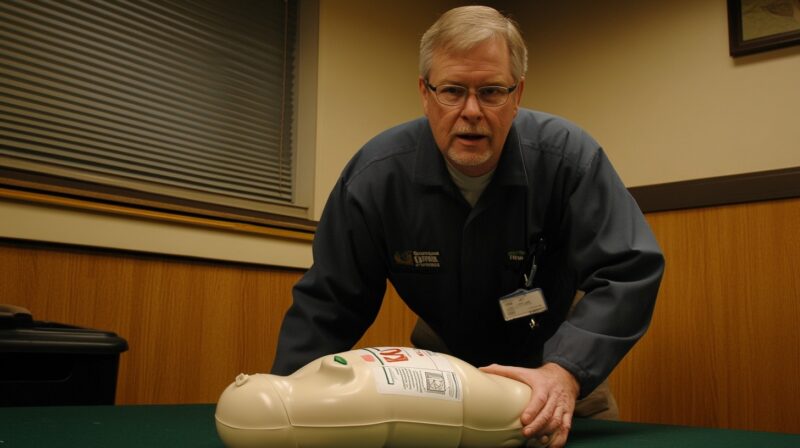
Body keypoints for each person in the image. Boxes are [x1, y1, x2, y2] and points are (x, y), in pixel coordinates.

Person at [271, 5, 664, 448]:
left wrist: (567, 372)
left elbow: (629, 269)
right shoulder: (374, 178)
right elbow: (330, 301)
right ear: (424, 93)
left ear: (517, 95)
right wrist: (288, 396)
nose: (471, 111)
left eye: (492, 91)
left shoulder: (570, 159)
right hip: (442, 386)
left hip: (555, 384)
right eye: (452, 90)